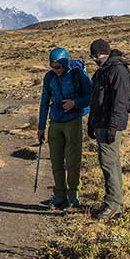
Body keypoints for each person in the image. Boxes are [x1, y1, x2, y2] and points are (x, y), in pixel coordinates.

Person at [37, 47, 93, 210]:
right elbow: (44, 102)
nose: (55, 70)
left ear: (65, 63)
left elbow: (91, 96)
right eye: (52, 67)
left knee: (73, 161)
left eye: (58, 67)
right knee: (56, 161)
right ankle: (60, 196)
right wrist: (41, 127)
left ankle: (73, 195)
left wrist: (75, 103)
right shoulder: (49, 78)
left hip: (72, 122)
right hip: (55, 123)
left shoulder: (78, 75)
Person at [87, 39, 130, 221]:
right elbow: (97, 100)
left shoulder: (117, 70)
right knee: (111, 162)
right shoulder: (104, 71)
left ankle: (112, 204)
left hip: (109, 125)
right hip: (101, 123)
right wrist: (92, 123)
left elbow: (119, 102)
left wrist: (113, 126)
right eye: (93, 56)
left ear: (103, 52)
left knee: (108, 162)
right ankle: (116, 203)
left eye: (96, 55)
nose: (94, 59)